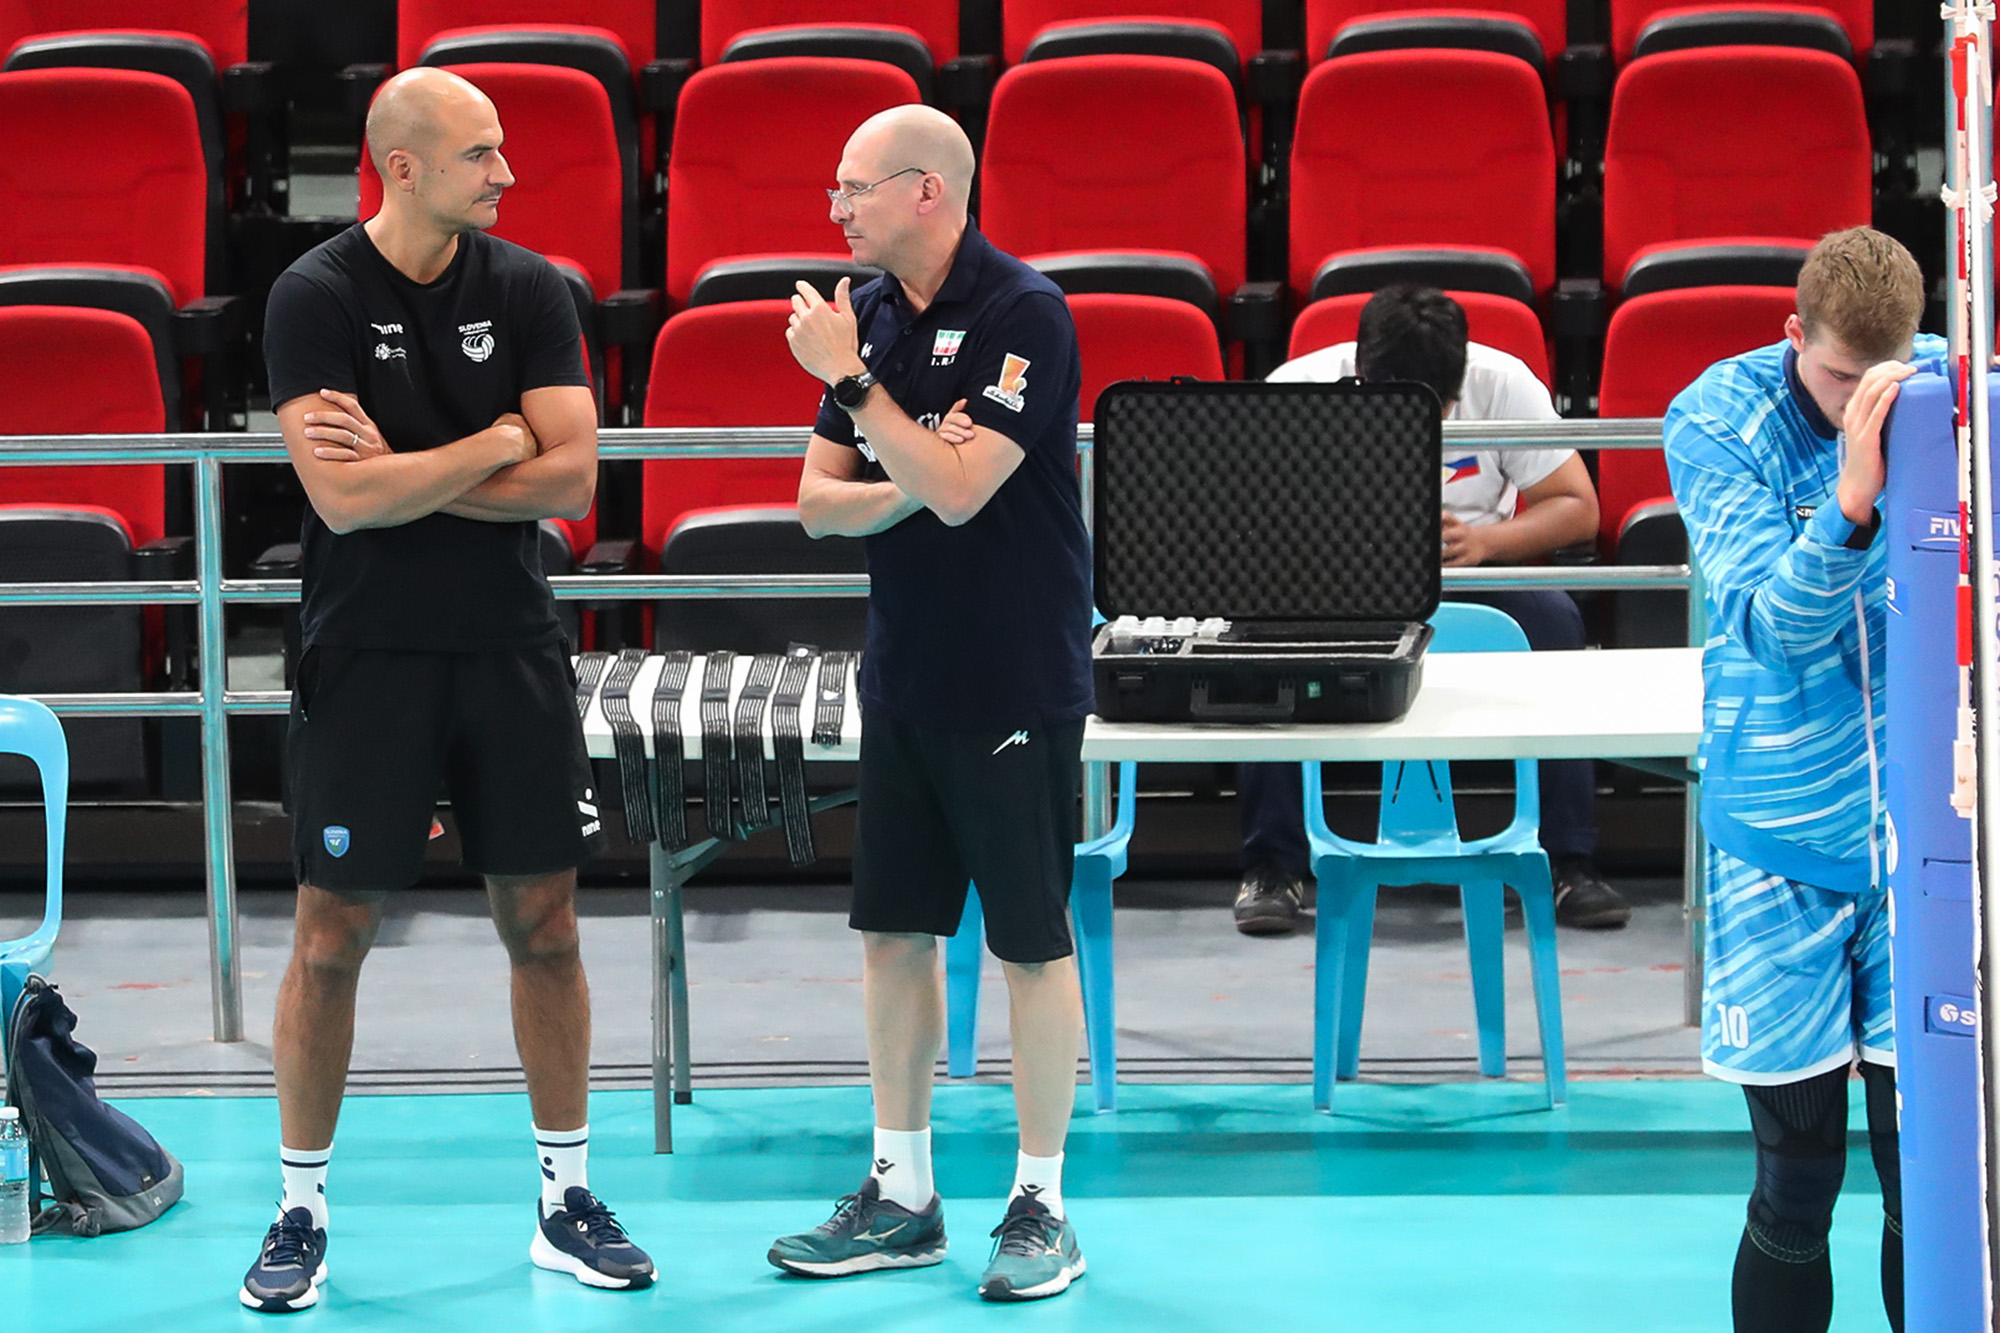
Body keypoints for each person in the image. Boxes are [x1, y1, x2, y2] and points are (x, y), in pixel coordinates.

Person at [241, 68, 652, 1312]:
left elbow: (571, 483)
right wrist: (494, 442)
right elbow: (342, 499)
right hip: (365, 656)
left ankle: (566, 1200)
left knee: (548, 927)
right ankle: (300, 1211)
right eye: (481, 154)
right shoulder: (313, 296)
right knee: (330, 938)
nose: (506, 173)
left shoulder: (528, 289)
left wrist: (416, 470)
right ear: (402, 167)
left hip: (510, 648)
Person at [769, 104, 1095, 1303]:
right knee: (894, 935)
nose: (834, 210)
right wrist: (917, 462)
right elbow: (818, 504)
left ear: (926, 191)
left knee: (1029, 942)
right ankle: (900, 1194)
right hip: (903, 670)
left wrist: (863, 399)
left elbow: (965, 493)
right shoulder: (867, 315)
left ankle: (1041, 1205)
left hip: (1013, 676)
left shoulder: (1023, 313)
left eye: (851, 187)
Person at [1664, 225, 1938, 1333]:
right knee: (1798, 1179)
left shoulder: (1949, 397)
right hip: (1779, 847)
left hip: (1924, 848)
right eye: (1834, 379)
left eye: (1881, 380)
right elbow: (1771, 630)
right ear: (1792, 335)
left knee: (1929, 1175)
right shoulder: (1714, 421)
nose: (1857, 404)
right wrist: (1852, 501)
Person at [1232, 286, 1630, 936]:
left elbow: (1577, 508)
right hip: (1336, 586)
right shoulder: (1297, 388)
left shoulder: (1505, 384)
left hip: (1472, 571)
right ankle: (1272, 865)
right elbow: (1244, 522)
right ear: (1360, 372)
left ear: (1460, 380)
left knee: (1556, 620)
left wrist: (1486, 542)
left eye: (1435, 408)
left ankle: (1570, 861)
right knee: (1263, 636)